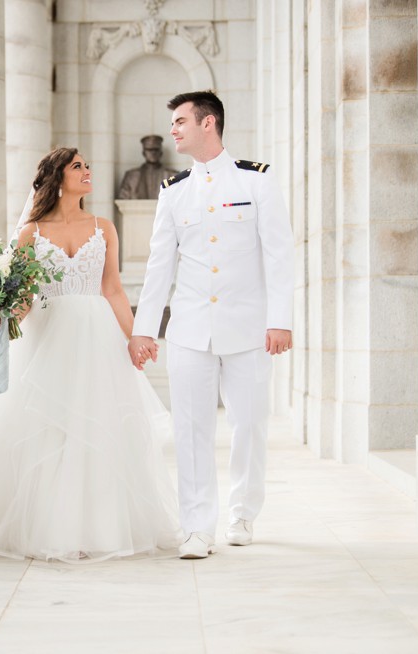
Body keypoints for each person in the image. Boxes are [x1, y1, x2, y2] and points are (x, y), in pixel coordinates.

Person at [0, 147, 182, 563]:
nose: (88, 171)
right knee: (46, 428)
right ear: (56, 176)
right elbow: (25, 297)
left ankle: (94, 528)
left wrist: (138, 336)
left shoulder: (104, 228)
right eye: (77, 166)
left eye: (87, 165)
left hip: (95, 337)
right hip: (45, 338)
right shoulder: (31, 231)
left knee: (95, 426)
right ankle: (45, 528)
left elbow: (113, 289)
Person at [128, 91, 294, 560]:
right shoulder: (173, 190)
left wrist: (280, 320)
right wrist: (145, 328)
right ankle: (197, 527)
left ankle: (243, 512)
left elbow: (279, 254)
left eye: (181, 121)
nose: (173, 129)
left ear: (209, 123)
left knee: (248, 424)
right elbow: (159, 265)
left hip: (249, 328)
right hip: (189, 329)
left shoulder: (256, 181)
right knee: (191, 429)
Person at [118, 134, 179, 200]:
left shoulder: (173, 175)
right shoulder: (131, 176)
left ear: (161, 152)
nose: (153, 153)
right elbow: (123, 201)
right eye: (149, 150)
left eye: (156, 149)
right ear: (143, 152)